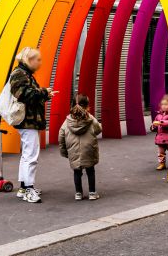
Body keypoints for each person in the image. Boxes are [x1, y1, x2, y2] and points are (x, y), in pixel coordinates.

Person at [10, 47, 57, 203]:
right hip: (28, 122)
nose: (40, 62)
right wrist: (43, 92)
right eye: (38, 59)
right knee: (31, 156)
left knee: (27, 155)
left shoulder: (24, 74)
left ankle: (24, 187)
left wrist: (44, 94)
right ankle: (29, 189)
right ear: (29, 60)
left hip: (29, 121)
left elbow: (29, 94)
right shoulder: (19, 74)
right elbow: (23, 94)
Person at [58, 94, 101, 201]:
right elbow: (98, 129)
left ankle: (78, 193)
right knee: (90, 170)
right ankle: (92, 193)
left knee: (77, 172)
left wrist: (64, 151)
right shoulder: (90, 119)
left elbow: (61, 136)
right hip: (89, 149)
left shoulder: (67, 121)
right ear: (87, 106)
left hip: (73, 150)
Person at [151, 94, 168, 169]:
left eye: (166, 104)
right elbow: (155, 124)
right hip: (160, 138)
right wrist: (153, 127)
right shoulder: (158, 115)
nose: (163, 106)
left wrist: (161, 122)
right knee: (161, 153)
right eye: (162, 104)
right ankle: (162, 164)